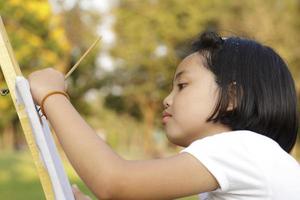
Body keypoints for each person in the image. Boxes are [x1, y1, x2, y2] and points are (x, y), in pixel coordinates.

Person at [28, 31, 300, 200]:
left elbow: (114, 181)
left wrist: (53, 96)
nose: (166, 100)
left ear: (231, 97)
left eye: (182, 86)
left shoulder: (241, 147)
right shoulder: (249, 159)